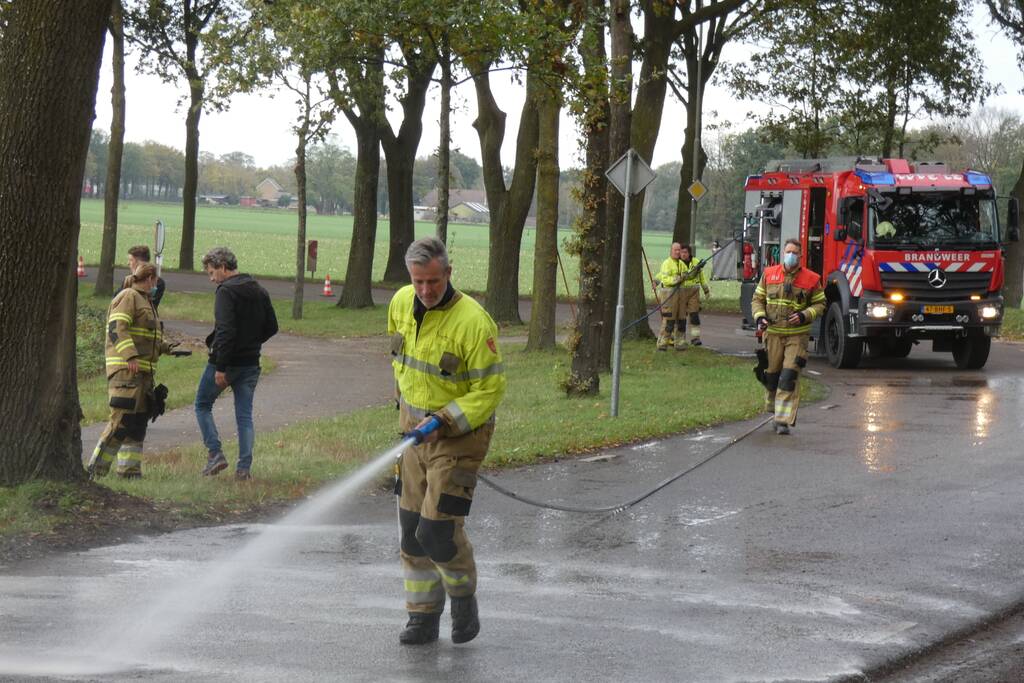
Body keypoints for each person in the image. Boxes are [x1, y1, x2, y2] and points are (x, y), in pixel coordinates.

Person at [388, 237, 507, 646]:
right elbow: (400, 362)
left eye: (433, 281)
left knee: (436, 530)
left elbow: (489, 391)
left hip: (459, 435)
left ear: (449, 273)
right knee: (409, 530)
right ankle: (422, 617)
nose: (425, 290)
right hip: (413, 433)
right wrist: (407, 414)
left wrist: (442, 421)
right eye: (418, 281)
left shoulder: (474, 322)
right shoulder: (401, 303)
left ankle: (462, 599)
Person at [87, 263, 186, 478]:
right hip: (126, 372)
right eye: (156, 281)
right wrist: (130, 355)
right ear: (150, 278)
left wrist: (167, 348)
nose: (157, 285)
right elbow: (117, 329)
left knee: (137, 424)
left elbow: (146, 337)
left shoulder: (146, 302)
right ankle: (95, 471)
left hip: (143, 375)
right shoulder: (128, 297)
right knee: (121, 422)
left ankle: (129, 472)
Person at [195, 247, 278, 480]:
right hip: (251, 362)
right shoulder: (259, 289)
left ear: (223, 267)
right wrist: (251, 343)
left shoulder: (225, 292)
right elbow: (272, 326)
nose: (212, 279)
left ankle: (215, 453)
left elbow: (225, 331)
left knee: (202, 404)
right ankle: (244, 469)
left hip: (226, 363)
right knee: (244, 416)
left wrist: (221, 366)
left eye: (212, 273)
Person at [751, 238, 826, 435]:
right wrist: (760, 318)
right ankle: (772, 407)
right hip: (773, 335)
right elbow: (757, 300)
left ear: (800, 256)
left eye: (795, 252)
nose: (791, 255)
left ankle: (782, 420)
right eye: (788, 252)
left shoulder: (812, 279)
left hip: (797, 336)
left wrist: (804, 315)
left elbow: (820, 304)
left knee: (789, 376)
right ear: (783, 253)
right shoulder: (769, 274)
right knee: (772, 376)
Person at [654, 243, 711, 350]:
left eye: (679, 250)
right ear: (671, 251)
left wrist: (697, 269)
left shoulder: (681, 264)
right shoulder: (667, 263)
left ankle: (680, 343)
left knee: (681, 320)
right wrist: (676, 279)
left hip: (681, 295)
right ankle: (662, 344)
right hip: (669, 296)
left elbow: (688, 276)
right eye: (676, 250)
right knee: (669, 320)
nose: (678, 252)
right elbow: (665, 278)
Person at [122, 245, 166, 310]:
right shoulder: (129, 279)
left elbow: (148, 304)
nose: (128, 263)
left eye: (131, 260)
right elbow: (118, 298)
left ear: (140, 263)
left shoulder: (158, 282)